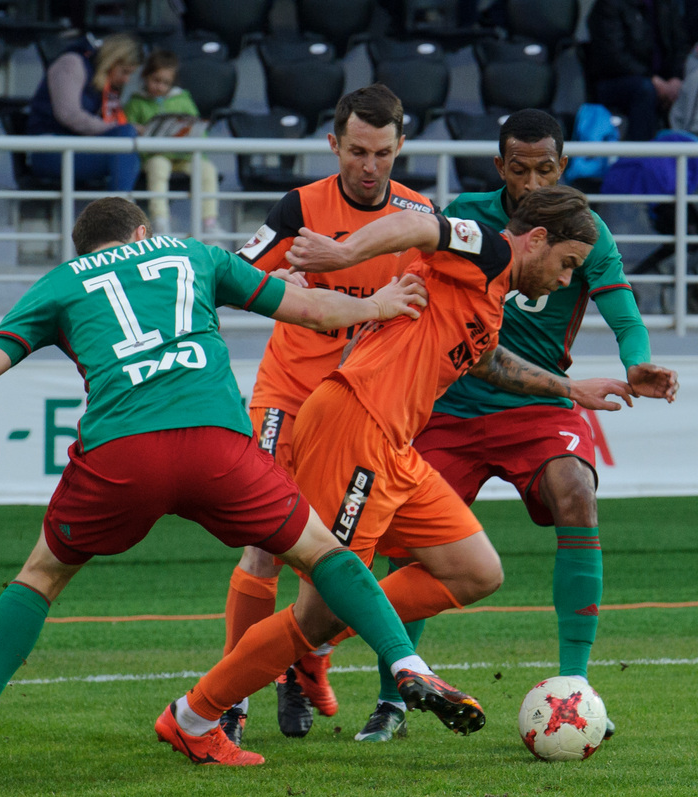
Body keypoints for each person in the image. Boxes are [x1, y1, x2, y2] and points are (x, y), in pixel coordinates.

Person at [0, 196, 483, 777]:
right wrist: (379, 304)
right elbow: (310, 310)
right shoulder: (193, 255)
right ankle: (406, 663)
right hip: (216, 445)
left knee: (41, 576)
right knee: (323, 552)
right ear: (142, 232)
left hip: (121, 455)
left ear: (82, 249)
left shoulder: (61, 283)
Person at [180, 185, 637, 756]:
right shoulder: (490, 249)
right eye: (567, 263)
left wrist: (569, 388)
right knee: (316, 614)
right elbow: (419, 226)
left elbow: (485, 358)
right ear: (537, 239)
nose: (568, 280)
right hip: (354, 424)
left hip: (393, 444)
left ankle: (332, 639)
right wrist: (344, 255)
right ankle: (196, 713)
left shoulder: (490, 293)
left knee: (475, 571)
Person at [352, 109, 680, 742]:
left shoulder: (584, 231)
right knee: (408, 540)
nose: (532, 182)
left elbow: (622, 310)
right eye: (520, 169)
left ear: (564, 166)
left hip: (538, 406)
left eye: (546, 169)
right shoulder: (468, 216)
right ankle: (394, 696)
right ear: (500, 166)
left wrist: (637, 362)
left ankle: (575, 685)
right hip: (450, 405)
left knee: (576, 493)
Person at [218, 84, 438, 743]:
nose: (369, 166)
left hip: (359, 410)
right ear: (333, 144)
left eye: (382, 153)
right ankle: (231, 700)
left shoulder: (420, 216)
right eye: (356, 151)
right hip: (287, 398)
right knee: (265, 545)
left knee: (344, 556)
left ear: (400, 147)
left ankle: (304, 663)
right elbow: (230, 273)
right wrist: (274, 285)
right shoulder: (300, 207)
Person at [25, 32, 143, 193]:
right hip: (49, 149)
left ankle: (119, 205)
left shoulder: (101, 80)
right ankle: (120, 206)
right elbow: (69, 115)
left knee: (128, 146)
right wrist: (116, 128)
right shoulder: (72, 63)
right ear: (112, 60)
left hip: (78, 147)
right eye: (124, 71)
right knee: (125, 137)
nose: (126, 80)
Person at [124, 48, 221, 235]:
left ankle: (209, 224)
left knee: (208, 170)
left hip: (184, 157)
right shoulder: (135, 103)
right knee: (158, 167)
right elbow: (127, 133)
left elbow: (198, 131)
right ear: (145, 76)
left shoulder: (183, 100)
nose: (160, 87)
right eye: (156, 80)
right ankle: (160, 222)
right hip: (154, 157)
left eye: (166, 83)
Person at [585, 0, 688, 142]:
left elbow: (681, 45)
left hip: (663, 81)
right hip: (614, 82)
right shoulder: (609, 5)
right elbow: (613, 57)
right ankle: (640, 152)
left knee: (693, 85)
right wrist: (653, 79)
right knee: (645, 90)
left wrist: (676, 78)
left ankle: (689, 150)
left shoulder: (666, 4)